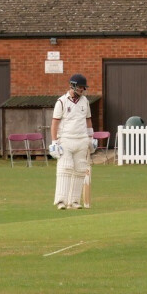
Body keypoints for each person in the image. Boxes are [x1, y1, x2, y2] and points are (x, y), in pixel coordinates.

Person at [51, 73, 95, 209]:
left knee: (80, 170)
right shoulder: (61, 101)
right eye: (80, 87)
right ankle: (61, 201)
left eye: (83, 88)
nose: (82, 90)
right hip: (66, 139)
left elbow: (88, 119)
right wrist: (54, 142)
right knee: (65, 168)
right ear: (73, 85)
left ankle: (74, 201)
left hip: (81, 139)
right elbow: (55, 123)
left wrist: (91, 138)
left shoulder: (85, 101)